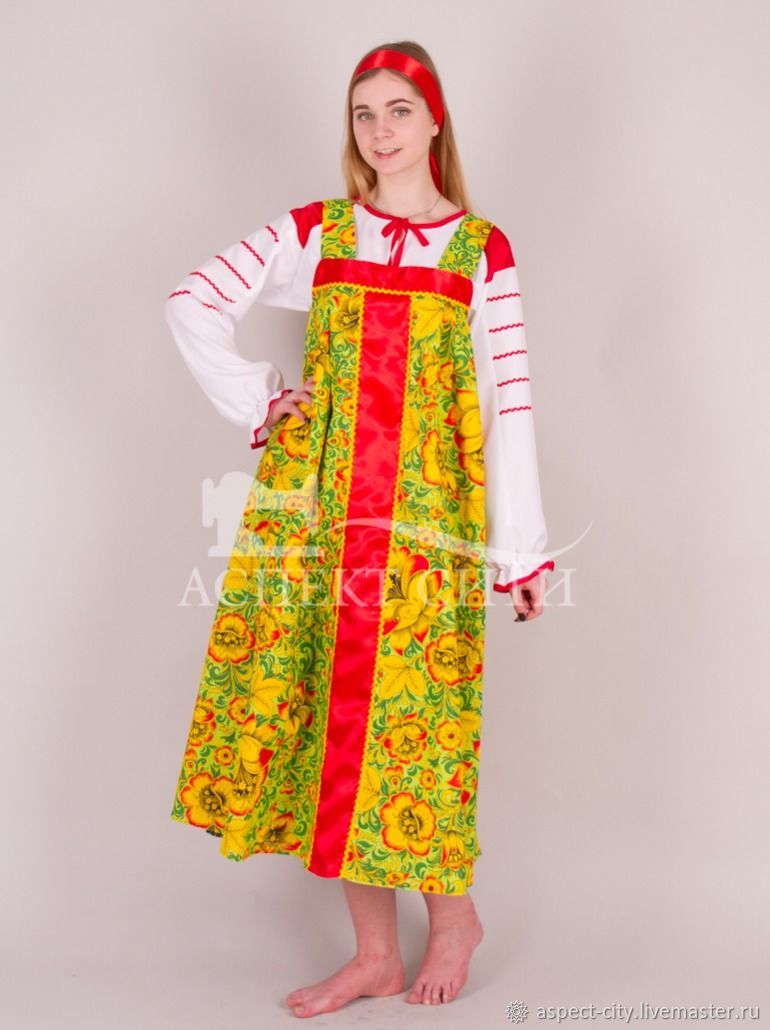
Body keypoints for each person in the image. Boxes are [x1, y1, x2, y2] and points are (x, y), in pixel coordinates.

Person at [165, 40, 555, 1017]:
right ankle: (375, 953)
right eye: (362, 114)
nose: (379, 131)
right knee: (329, 724)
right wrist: (261, 397)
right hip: (320, 517)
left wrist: (519, 550)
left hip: (424, 524)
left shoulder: (480, 250)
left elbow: (508, 402)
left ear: (434, 120)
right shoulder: (319, 232)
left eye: (397, 110)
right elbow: (192, 300)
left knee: (413, 727)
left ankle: (453, 917)